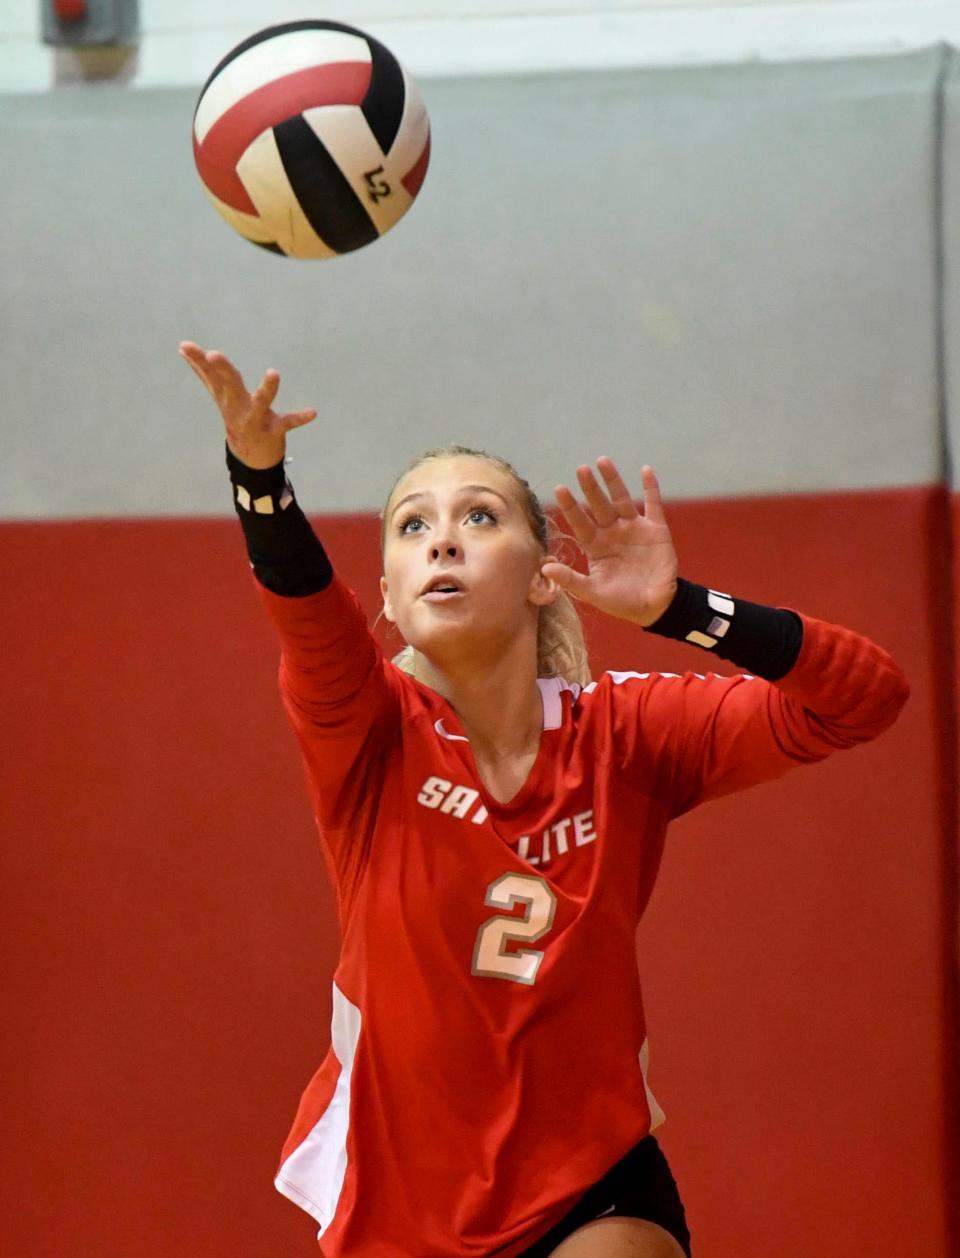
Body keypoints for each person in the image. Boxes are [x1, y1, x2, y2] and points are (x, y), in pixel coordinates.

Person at [179, 340, 909, 1258]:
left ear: (539, 576)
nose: (441, 538)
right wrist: (259, 478)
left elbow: (864, 699)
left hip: (589, 1178)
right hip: (401, 1193)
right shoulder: (369, 730)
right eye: (412, 526)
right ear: (393, 605)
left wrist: (683, 608)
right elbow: (309, 616)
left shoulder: (626, 731)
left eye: (478, 517)